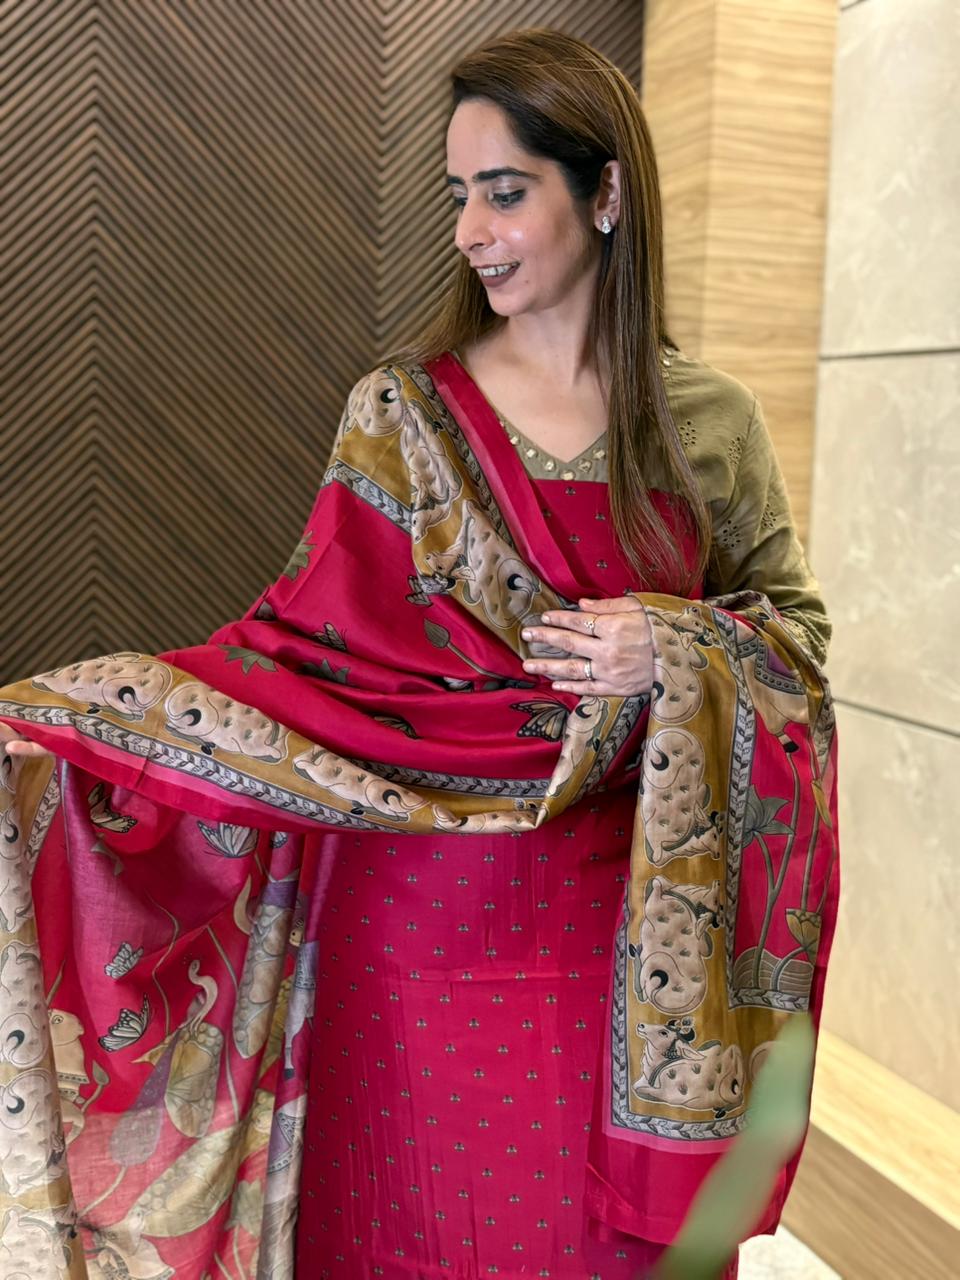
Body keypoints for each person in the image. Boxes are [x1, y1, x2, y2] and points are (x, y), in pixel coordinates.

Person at [0, 27, 838, 1280]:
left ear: (606, 193)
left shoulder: (706, 420)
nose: (473, 232)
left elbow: (799, 644)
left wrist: (671, 643)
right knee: (411, 1226)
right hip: (414, 921)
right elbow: (300, 657)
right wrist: (77, 721)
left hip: (629, 936)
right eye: (460, 197)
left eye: (505, 192)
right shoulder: (402, 412)